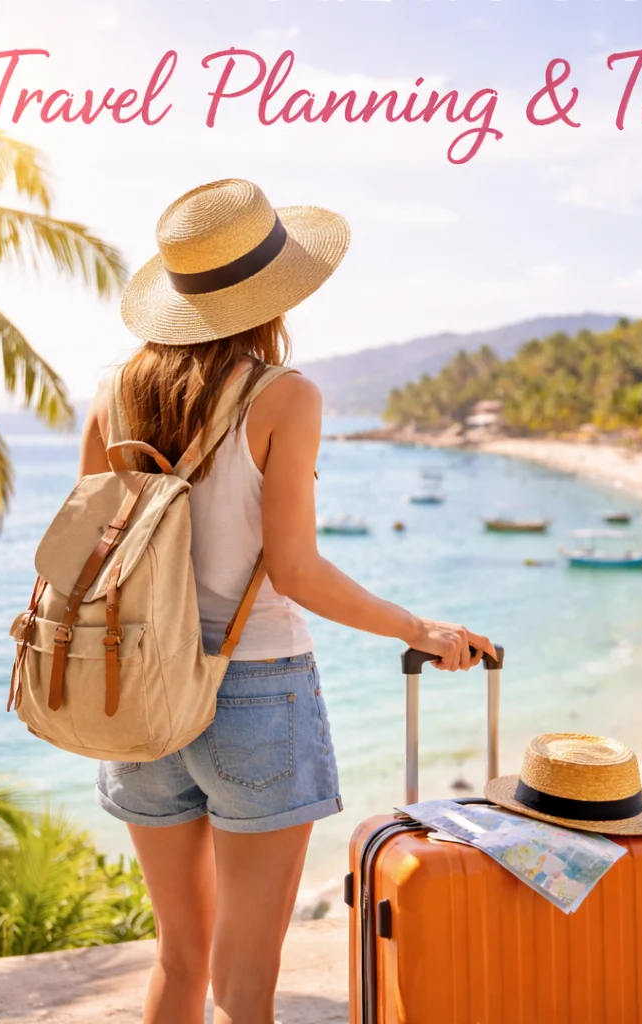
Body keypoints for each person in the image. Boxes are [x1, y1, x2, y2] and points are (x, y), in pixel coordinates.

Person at [80, 179, 495, 1024]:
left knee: (178, 955)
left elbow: (91, 552)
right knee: (245, 984)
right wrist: (419, 629)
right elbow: (297, 571)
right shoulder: (284, 397)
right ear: (273, 293)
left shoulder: (114, 391)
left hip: (134, 686)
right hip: (255, 688)